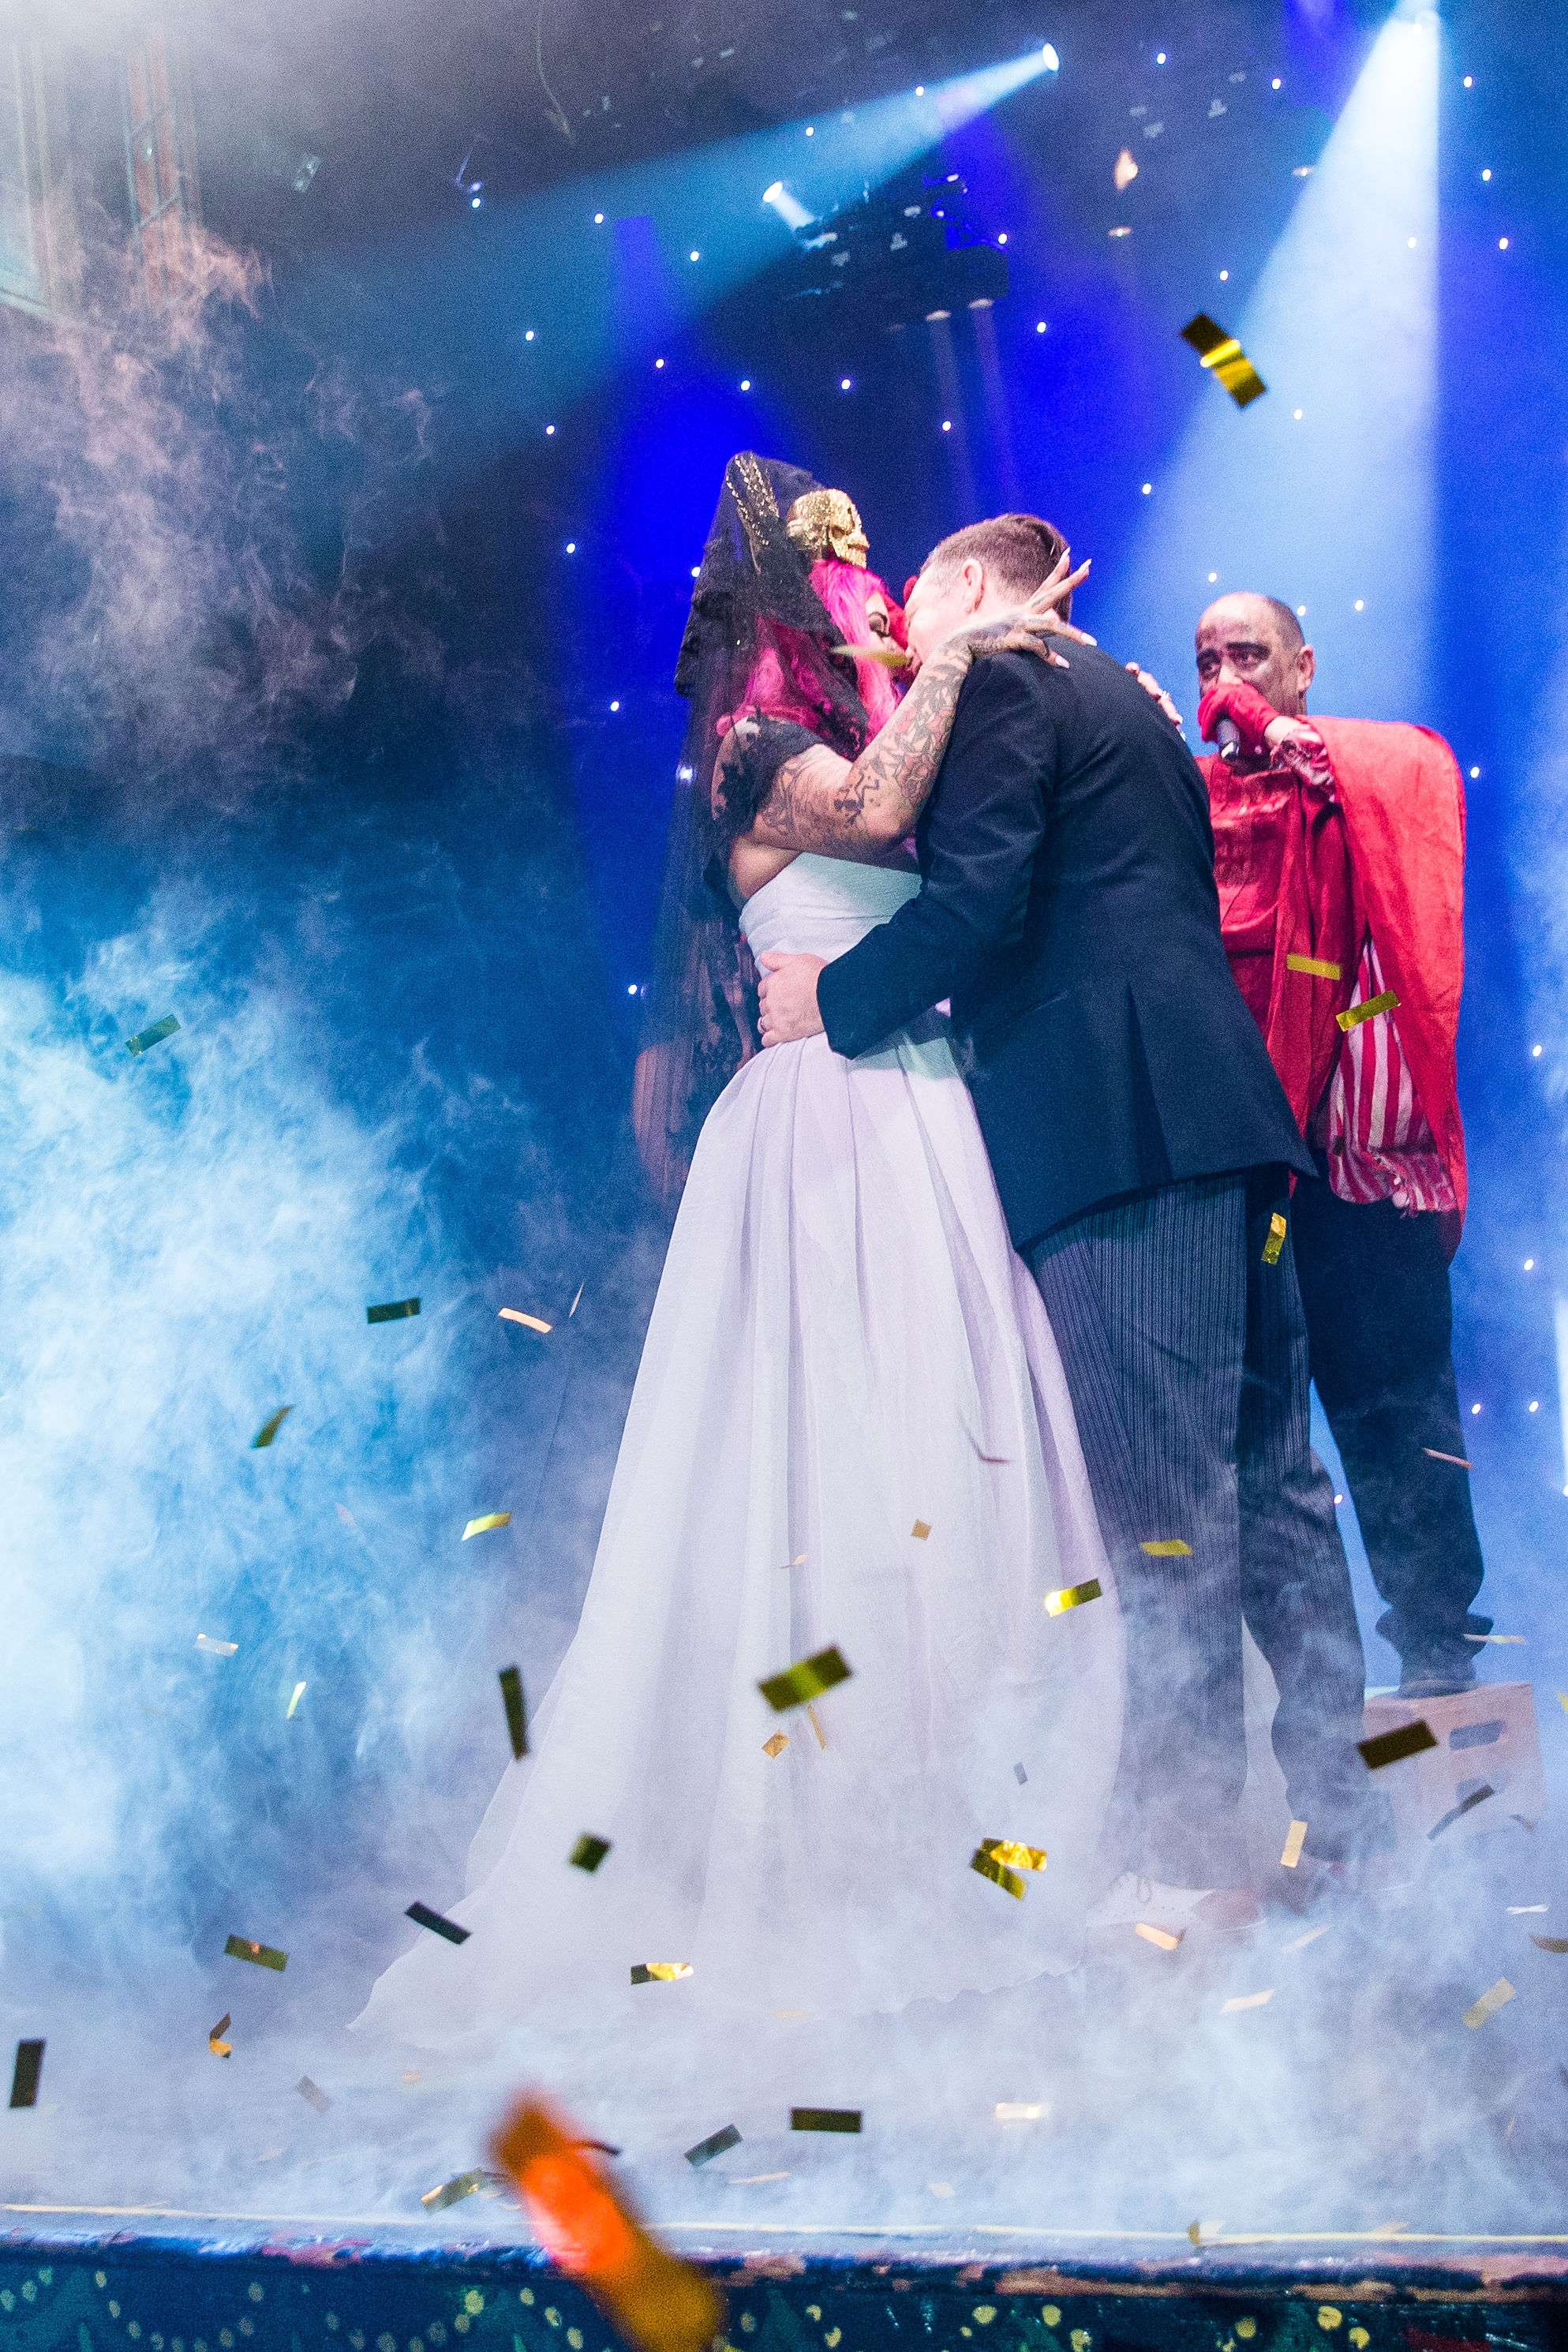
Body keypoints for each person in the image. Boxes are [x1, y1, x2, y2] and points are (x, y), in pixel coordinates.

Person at [352, 457, 1121, 2055]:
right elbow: (880, 811)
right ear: (793, 599)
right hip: (819, 1117)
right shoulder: (755, 749)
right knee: (817, 1453)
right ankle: (807, 1836)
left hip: (922, 1105)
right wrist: (970, 651)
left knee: (941, 1436)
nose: (875, 594)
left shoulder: (871, 712)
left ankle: (965, 1809)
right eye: (850, 575)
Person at [759, 512, 1376, 1925]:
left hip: (1121, 1135)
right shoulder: (1128, 696)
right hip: (1223, 1123)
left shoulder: (1006, 679)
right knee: (1273, 1488)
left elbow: (979, 904)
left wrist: (831, 1000)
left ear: (979, 589)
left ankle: (1186, 1868)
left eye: (917, 602)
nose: (902, 633)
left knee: (1166, 1512)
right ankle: (1346, 1836)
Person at [1192, 592, 1486, 1699]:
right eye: (1207, 662)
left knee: (1398, 1418)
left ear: (1304, 665)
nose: (1225, 681)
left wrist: (1269, 729)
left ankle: (1441, 1661)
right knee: (1265, 1447)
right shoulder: (1202, 798)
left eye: (1249, 656)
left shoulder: (1372, 767)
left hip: (1366, 1170)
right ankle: (1311, 1708)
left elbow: (1370, 779)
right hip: (1259, 1175)